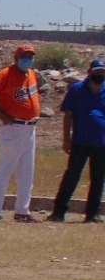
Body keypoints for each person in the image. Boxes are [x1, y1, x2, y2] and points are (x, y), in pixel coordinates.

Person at [0, 43, 44, 222]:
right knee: (5, 169)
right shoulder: (6, 74)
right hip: (14, 127)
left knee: (27, 171)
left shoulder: (31, 74)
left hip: (30, 127)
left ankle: (22, 212)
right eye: (24, 56)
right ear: (16, 58)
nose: (27, 60)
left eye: (30, 56)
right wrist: (1, 113)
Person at [49, 57, 105, 223]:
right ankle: (59, 212)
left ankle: (92, 213)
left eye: (103, 72)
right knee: (72, 176)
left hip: (101, 143)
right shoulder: (76, 89)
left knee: (98, 178)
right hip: (80, 141)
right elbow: (68, 115)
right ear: (89, 72)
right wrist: (66, 139)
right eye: (97, 72)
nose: (100, 75)